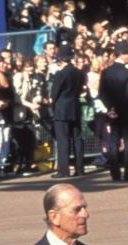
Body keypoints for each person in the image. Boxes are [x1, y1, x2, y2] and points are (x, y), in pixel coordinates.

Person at [98, 41, 128, 181]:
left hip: (113, 110)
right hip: (127, 110)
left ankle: (115, 173)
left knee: (113, 142)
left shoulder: (106, 72)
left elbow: (102, 93)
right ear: (122, 54)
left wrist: (110, 108)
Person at [50, 45, 86, 178]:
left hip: (62, 108)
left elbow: (54, 95)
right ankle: (80, 168)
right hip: (75, 106)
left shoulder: (60, 74)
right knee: (77, 138)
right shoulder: (79, 72)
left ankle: (64, 170)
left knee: (63, 140)